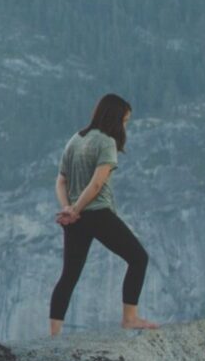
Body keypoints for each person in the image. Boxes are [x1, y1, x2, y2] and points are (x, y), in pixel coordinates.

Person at [49, 94, 159, 337]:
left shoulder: (75, 139)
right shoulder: (106, 142)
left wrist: (68, 209)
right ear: (114, 118)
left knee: (69, 275)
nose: (125, 126)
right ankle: (129, 318)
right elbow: (97, 184)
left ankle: (54, 334)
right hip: (97, 213)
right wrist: (77, 209)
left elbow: (61, 181)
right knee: (138, 258)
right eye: (125, 120)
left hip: (75, 220)